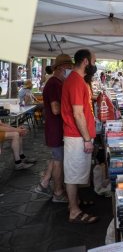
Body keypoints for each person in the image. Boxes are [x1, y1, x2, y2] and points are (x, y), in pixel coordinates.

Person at [61, 49, 98, 224]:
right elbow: (78, 114)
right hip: (76, 136)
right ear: (85, 62)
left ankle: (74, 202)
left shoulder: (78, 80)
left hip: (78, 136)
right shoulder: (75, 81)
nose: (94, 65)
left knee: (76, 172)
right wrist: (86, 139)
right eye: (94, 61)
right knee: (73, 173)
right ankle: (74, 210)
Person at [35, 54, 73, 202]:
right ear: (63, 67)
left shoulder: (58, 83)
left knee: (56, 157)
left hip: (56, 128)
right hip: (56, 129)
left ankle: (44, 183)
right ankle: (58, 192)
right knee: (58, 160)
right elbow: (56, 109)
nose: (71, 69)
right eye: (69, 67)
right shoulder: (54, 84)